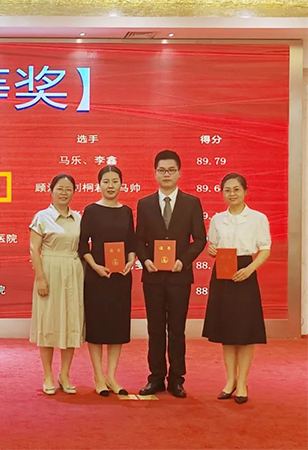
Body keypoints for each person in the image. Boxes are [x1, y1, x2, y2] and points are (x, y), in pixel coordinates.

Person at [136, 150, 207, 398]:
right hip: (153, 276)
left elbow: (200, 239)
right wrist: (145, 260)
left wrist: (183, 261)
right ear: (155, 173)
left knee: (177, 330)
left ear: (179, 173)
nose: (166, 174)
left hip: (179, 276)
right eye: (162, 170)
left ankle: (177, 379)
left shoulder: (192, 203)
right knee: (155, 329)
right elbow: (139, 239)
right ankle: (155, 377)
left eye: (171, 170)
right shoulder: (144, 204)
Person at [202, 173, 270, 404]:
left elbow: (265, 248)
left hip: (245, 272)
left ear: (245, 191)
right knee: (227, 331)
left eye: (236, 189)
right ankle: (230, 380)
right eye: (227, 190)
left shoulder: (257, 218)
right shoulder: (217, 219)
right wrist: (211, 251)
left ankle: (242, 382)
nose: (232, 194)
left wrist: (250, 269)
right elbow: (213, 246)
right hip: (222, 273)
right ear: (222, 193)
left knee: (245, 332)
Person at [78, 166, 135, 397]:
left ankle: (111, 375)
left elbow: (131, 242)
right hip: (97, 276)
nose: (111, 186)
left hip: (120, 277)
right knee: (97, 327)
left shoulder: (126, 211)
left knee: (117, 327)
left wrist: (131, 259)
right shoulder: (91, 211)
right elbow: (83, 244)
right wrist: (95, 266)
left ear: (122, 184)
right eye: (106, 181)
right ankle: (98, 377)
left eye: (115, 181)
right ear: (99, 184)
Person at [29, 173, 84, 395]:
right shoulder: (42, 217)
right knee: (48, 323)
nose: (64, 193)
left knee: (71, 322)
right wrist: (41, 278)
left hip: (73, 272)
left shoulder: (78, 218)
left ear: (74, 192)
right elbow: (34, 249)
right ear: (51, 191)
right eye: (60, 188)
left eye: (68, 189)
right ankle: (47, 375)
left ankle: (65, 374)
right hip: (50, 271)